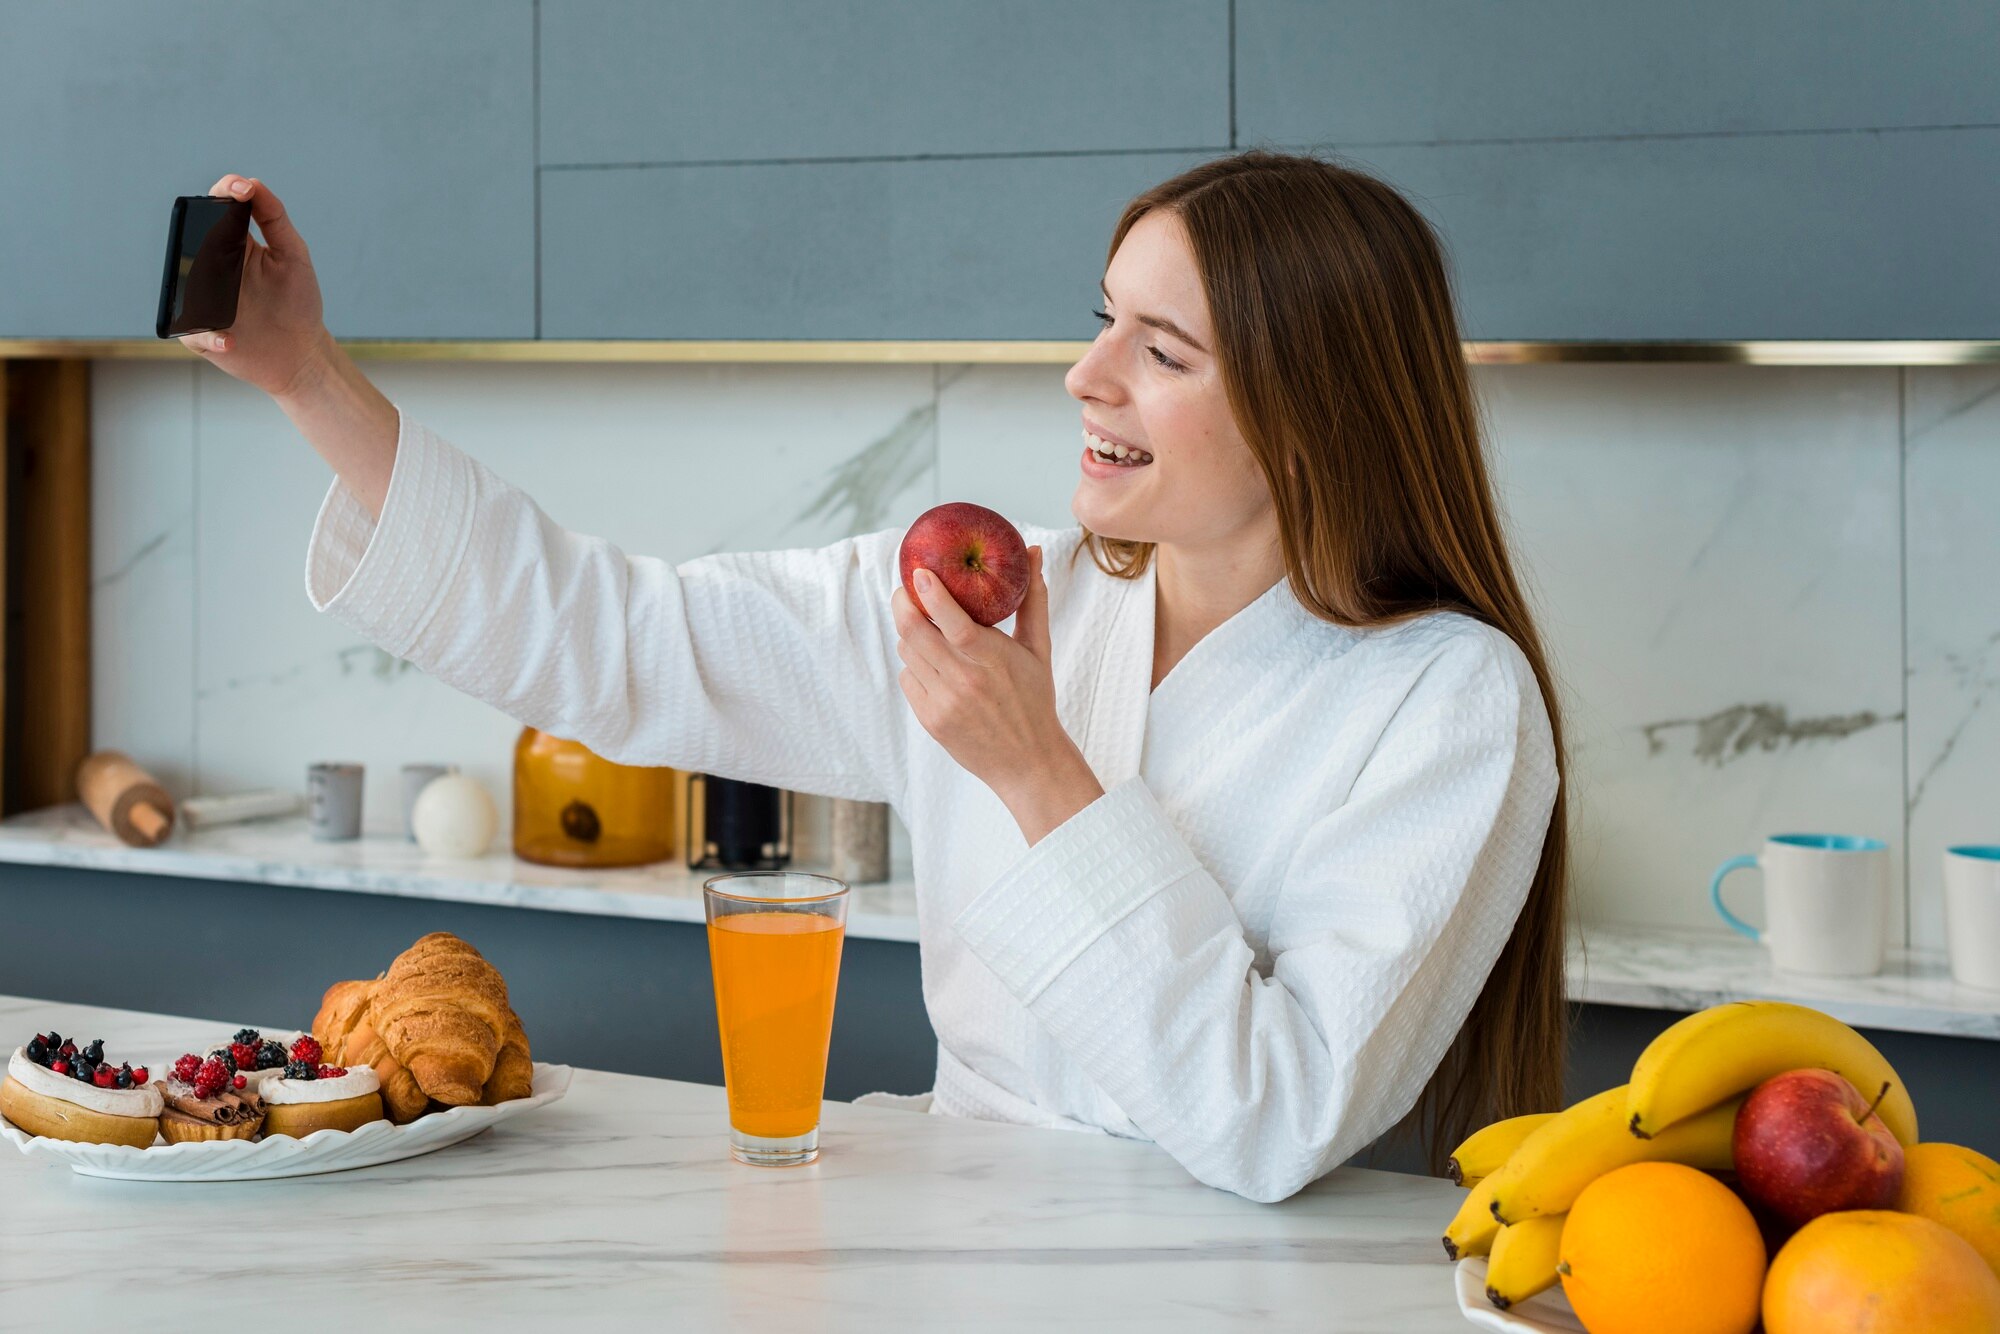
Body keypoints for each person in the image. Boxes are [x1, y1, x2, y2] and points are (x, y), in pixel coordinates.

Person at [185, 149, 1566, 1203]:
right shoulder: (992, 595)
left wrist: (1039, 770)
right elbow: (612, 637)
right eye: (1101, 322)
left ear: (1310, 411)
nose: (1087, 375)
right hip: (950, 1245)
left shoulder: (1449, 702)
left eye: (1161, 351)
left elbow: (1270, 1117)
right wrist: (309, 378)